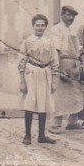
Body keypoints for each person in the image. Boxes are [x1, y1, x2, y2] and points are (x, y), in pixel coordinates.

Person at [18, 14, 59, 145]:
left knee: (44, 103)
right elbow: (21, 62)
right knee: (30, 104)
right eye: (37, 25)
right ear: (33, 26)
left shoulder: (49, 42)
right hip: (31, 73)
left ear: (45, 27)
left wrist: (54, 80)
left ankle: (42, 135)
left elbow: (54, 62)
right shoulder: (28, 41)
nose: (40, 28)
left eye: (42, 25)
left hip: (45, 73)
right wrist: (22, 81)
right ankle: (27, 135)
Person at [47, 5, 84, 134]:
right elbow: (56, 50)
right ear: (62, 15)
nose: (71, 18)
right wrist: (58, 69)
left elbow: (77, 49)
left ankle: (72, 122)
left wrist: (79, 63)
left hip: (73, 64)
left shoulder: (71, 30)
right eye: (68, 15)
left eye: (73, 16)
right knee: (60, 95)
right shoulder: (56, 29)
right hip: (63, 63)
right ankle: (55, 124)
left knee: (76, 94)